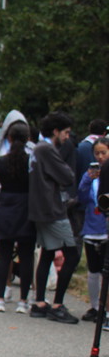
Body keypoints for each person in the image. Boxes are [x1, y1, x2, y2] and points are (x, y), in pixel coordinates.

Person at [28, 112, 80, 323]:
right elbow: (67, 176)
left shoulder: (37, 149)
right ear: (56, 131)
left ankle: (40, 301)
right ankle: (57, 304)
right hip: (52, 209)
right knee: (72, 254)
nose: (67, 137)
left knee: (48, 252)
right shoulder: (48, 149)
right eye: (65, 132)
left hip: (40, 208)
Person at [0, 121, 35, 313]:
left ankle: (0, 298)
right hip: (27, 207)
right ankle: (23, 300)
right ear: (28, 139)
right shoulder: (32, 162)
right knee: (26, 256)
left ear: (9, 138)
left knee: (4, 255)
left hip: (5, 206)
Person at [77, 137, 109, 320]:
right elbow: (81, 197)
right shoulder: (90, 175)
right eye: (97, 153)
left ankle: (106, 308)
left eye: (104, 152)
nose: (100, 157)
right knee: (93, 270)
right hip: (91, 227)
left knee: (106, 271)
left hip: (106, 228)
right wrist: (88, 179)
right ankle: (95, 306)